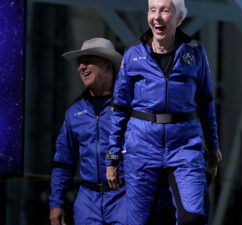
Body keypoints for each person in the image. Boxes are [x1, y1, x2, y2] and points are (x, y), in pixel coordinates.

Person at [105, 0, 222, 224]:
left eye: (165, 10)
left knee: (193, 217)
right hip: (141, 149)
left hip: (185, 147)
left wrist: (213, 145)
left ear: (179, 18)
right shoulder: (132, 55)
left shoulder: (195, 53)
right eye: (152, 10)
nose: (157, 17)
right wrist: (112, 157)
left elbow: (206, 102)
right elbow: (120, 108)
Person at [49, 38, 126, 225]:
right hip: (87, 202)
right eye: (79, 63)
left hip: (125, 198)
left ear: (108, 67)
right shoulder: (74, 113)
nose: (81, 67)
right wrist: (56, 204)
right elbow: (63, 162)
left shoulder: (131, 107)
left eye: (88, 60)